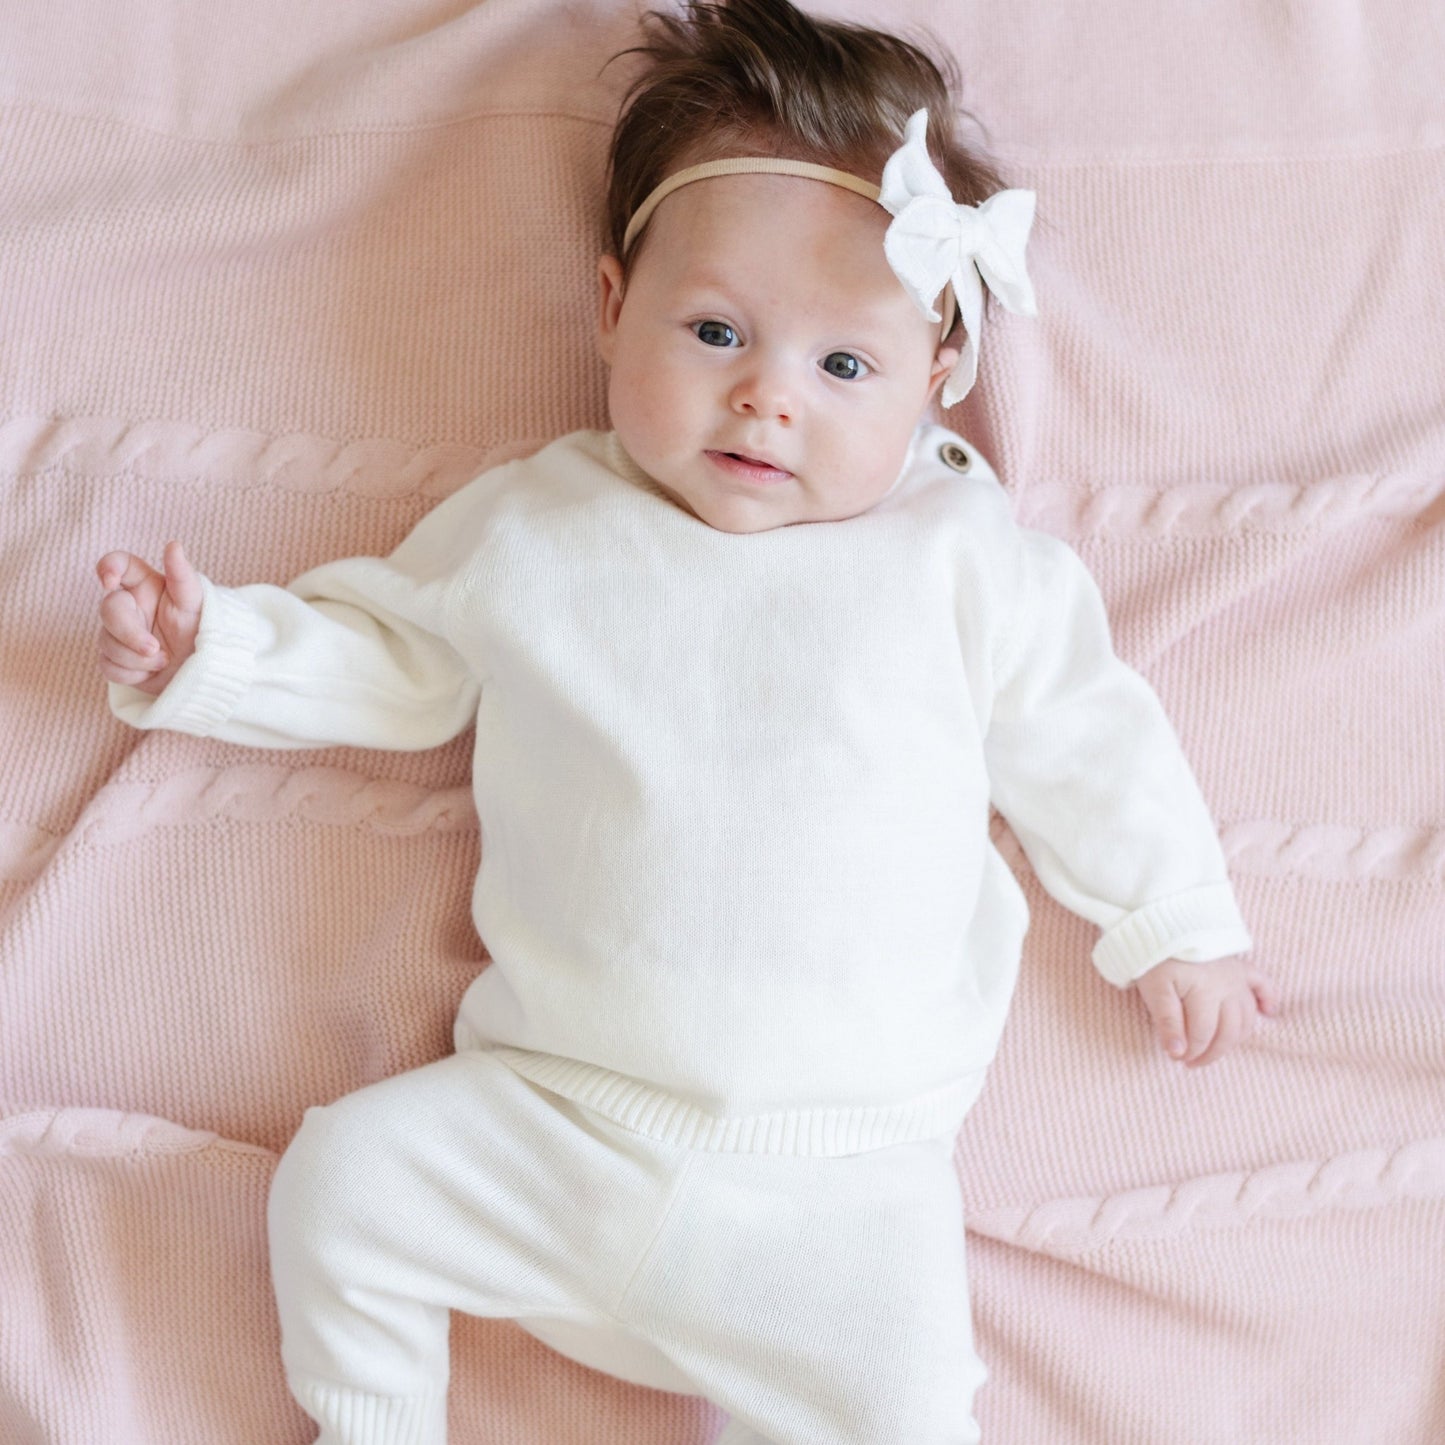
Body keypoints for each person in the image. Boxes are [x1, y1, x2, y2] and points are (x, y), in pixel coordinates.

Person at [94, 1, 1278, 1441]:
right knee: (342, 1181)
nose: (766, 396)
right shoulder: (542, 524)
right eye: (714, 330)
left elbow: (1088, 739)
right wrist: (211, 645)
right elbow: (388, 650)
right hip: (546, 1121)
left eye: (843, 366)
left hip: (841, 1194)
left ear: (936, 373)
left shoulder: (965, 563)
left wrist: (1172, 920)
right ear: (608, 305)